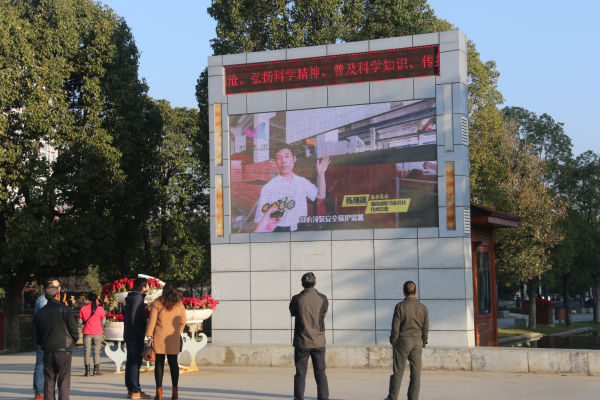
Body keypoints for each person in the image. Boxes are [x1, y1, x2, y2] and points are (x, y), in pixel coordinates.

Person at [254, 143, 330, 232]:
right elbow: (261, 221)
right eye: (279, 158)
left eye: (287, 156)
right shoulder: (268, 188)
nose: (284, 161)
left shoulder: (302, 182)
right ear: (275, 162)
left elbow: (321, 195)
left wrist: (321, 174)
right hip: (280, 231)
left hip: (302, 228)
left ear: (294, 159)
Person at [384, 281, 429, 400]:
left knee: (398, 373)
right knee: (415, 374)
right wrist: (424, 342)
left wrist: (393, 341)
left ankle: (392, 397)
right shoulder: (423, 308)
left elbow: (395, 326)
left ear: (404, 292)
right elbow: (425, 327)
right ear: (416, 291)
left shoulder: (400, 306)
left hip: (402, 342)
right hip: (417, 343)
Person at [32, 285, 79, 400]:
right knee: (64, 379)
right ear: (57, 295)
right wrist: (71, 343)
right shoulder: (65, 309)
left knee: (48, 380)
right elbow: (74, 331)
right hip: (64, 349)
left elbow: (35, 336)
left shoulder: (39, 313)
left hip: (47, 350)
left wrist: (43, 344)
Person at [289, 272, 329, 400]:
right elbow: (323, 314)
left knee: (300, 374)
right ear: (315, 283)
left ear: (302, 285)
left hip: (302, 341)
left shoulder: (297, 299)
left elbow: (293, 312)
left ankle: (298, 398)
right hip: (318, 341)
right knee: (321, 373)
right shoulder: (323, 298)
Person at [145, 282, 187, 400]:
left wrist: (149, 335)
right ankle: (175, 391)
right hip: (173, 337)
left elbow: (152, 320)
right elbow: (183, 320)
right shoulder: (179, 304)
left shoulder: (158, 303)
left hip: (159, 336)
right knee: (174, 364)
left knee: (159, 364)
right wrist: (178, 332)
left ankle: (159, 392)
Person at [33, 277, 60, 400]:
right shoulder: (44, 301)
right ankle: (39, 392)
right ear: (49, 288)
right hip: (44, 338)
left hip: (46, 338)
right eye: (57, 286)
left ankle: (43, 390)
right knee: (41, 364)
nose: (59, 288)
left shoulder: (44, 299)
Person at [124, 277, 151, 399]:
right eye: (148, 285)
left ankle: (131, 389)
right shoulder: (138, 298)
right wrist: (135, 333)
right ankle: (135, 390)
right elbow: (133, 317)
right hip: (135, 335)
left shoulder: (131, 297)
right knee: (135, 363)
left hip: (130, 335)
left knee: (130, 362)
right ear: (143, 287)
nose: (149, 287)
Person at [78, 292, 106, 377]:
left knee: (87, 352)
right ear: (97, 299)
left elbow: (79, 321)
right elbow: (103, 321)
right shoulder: (100, 308)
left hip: (87, 332)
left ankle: (87, 371)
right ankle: (96, 371)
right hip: (97, 332)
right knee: (96, 352)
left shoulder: (83, 308)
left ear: (88, 299)